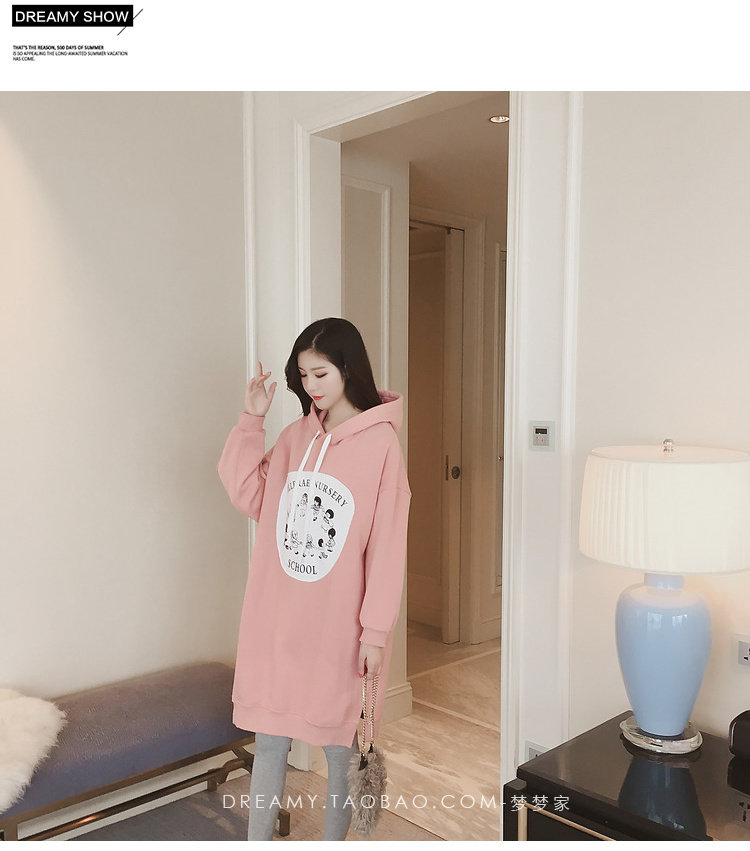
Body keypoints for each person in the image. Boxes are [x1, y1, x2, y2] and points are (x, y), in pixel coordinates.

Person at [217, 317, 411, 841]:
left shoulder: (381, 447)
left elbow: (387, 549)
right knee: (270, 741)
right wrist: (251, 420)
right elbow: (248, 494)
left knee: (340, 748)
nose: (311, 385)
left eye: (320, 373)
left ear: (349, 368)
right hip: (277, 619)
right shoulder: (294, 438)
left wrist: (374, 632)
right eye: (303, 375)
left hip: (338, 626)